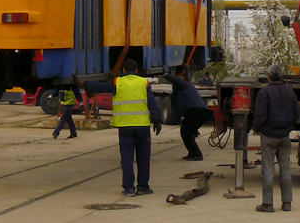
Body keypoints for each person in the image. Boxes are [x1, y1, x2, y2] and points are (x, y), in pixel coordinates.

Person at [83, 60, 162, 196]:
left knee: (127, 158)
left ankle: (129, 188)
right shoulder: (144, 83)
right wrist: (156, 121)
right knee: (143, 158)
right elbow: (152, 103)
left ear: (123, 71)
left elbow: (98, 87)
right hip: (142, 127)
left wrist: (83, 83)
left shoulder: (117, 82)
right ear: (137, 70)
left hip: (125, 127)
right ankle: (143, 186)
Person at [252, 63, 300, 213]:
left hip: (269, 136)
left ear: (268, 76)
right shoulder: (289, 91)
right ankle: (287, 203)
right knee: (285, 169)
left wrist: (257, 128)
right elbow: (296, 113)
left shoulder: (264, 92)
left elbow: (261, 115)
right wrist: (288, 128)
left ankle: (267, 204)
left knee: (268, 170)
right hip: (284, 136)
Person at [162, 68, 209, 161]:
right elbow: (178, 108)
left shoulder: (184, 85)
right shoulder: (183, 90)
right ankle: (192, 153)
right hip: (200, 111)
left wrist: (166, 75)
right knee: (187, 132)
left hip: (195, 111)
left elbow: (176, 80)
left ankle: (197, 154)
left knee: (185, 133)